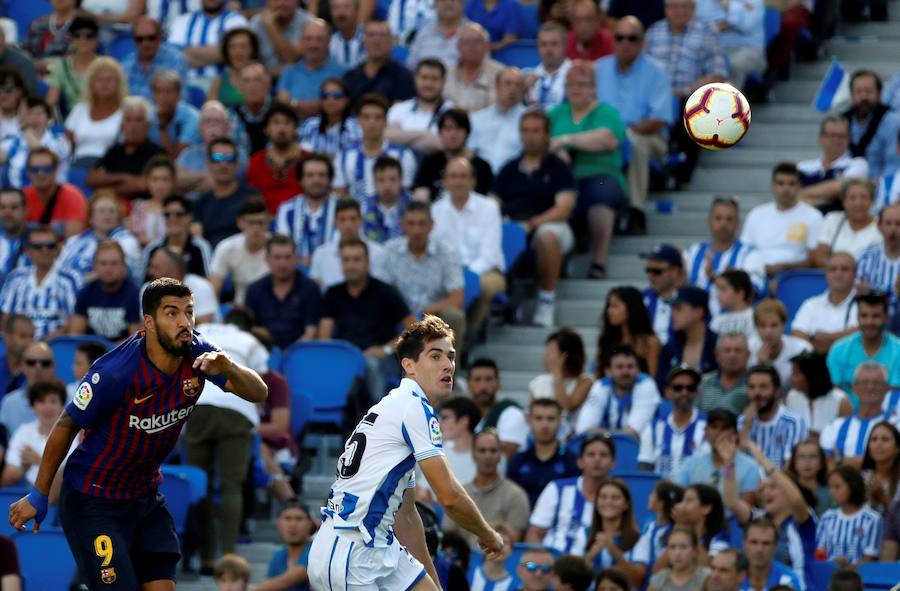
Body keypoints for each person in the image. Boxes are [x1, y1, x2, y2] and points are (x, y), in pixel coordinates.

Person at [7, 278, 268, 590]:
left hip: (144, 499)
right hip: (94, 501)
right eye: (172, 313)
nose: (184, 322)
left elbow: (259, 393)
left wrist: (230, 367)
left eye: (189, 312)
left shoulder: (199, 355)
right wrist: (39, 494)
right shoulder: (115, 372)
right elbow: (66, 425)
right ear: (150, 322)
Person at [306, 316, 504, 589]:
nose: (448, 365)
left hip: (378, 545)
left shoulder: (398, 407)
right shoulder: (413, 408)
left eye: (451, 357)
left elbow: (407, 516)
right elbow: (448, 496)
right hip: (351, 552)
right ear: (409, 366)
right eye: (435, 357)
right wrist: (487, 533)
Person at [186, 311, 269, 572]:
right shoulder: (250, 340)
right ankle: (228, 558)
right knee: (232, 486)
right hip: (238, 409)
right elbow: (260, 382)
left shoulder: (203, 332)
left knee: (200, 484)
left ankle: (207, 557)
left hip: (198, 407)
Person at [492, 110, 576, 327]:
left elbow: (564, 208)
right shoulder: (509, 168)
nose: (530, 136)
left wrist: (532, 224)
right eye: (526, 130)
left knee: (547, 236)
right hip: (511, 224)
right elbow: (492, 203)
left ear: (547, 134)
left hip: (550, 224)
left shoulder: (558, 167)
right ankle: (504, 302)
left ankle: (547, 300)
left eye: (536, 131)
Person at [549, 61, 627, 279]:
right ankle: (559, 261)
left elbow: (606, 139)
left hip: (600, 175)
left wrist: (565, 140)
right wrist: (557, 151)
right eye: (570, 84)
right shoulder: (556, 112)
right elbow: (543, 142)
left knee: (600, 195)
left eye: (581, 84)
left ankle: (599, 261)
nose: (575, 89)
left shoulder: (606, 112)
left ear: (593, 88)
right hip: (563, 178)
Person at [644, 0, 727, 186]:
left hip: (690, 96)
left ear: (694, 8)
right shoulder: (653, 32)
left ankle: (681, 174)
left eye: (684, 6)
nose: (679, 11)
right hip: (656, 98)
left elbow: (718, 73)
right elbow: (642, 70)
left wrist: (689, 90)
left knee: (692, 105)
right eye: (673, 6)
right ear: (665, 8)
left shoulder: (708, 32)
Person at [595, 16, 674, 211]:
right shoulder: (598, 68)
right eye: (620, 37)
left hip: (650, 138)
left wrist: (622, 134)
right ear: (613, 40)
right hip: (603, 136)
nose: (625, 43)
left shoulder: (657, 71)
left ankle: (635, 209)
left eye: (632, 38)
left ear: (642, 42)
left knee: (633, 141)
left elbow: (659, 119)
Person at [319, 236, 412, 399]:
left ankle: (378, 418)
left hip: (381, 358)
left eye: (356, 259)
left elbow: (415, 329)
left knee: (371, 365)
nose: (351, 265)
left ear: (368, 263)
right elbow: (324, 336)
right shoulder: (333, 293)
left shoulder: (386, 292)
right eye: (346, 260)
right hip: (345, 357)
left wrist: (385, 349)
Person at [720, 437, 817, 591]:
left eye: (773, 487)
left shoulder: (801, 521)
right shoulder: (758, 519)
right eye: (763, 489)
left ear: (787, 489)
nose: (765, 492)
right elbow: (732, 501)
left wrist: (761, 460)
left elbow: (797, 500)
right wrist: (729, 463)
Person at [431, 157, 505, 338]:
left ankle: (469, 334)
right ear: (445, 181)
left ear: (473, 181)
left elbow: (489, 254)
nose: (458, 181)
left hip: (487, 271)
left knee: (484, 286)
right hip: (448, 273)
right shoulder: (435, 210)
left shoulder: (489, 208)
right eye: (453, 176)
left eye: (463, 176)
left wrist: (466, 278)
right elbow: (436, 251)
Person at [381, 202, 466, 349]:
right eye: (411, 224)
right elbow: (381, 293)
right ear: (402, 225)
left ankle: (450, 369)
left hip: (435, 317)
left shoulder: (447, 252)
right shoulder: (390, 250)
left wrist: (426, 312)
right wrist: (405, 317)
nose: (416, 230)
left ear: (431, 225)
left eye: (422, 224)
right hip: (397, 316)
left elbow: (457, 299)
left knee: (454, 316)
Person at [526, 433, 616, 554]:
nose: (597, 459)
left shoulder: (618, 497)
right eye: (591, 455)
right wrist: (542, 566)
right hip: (553, 567)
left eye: (603, 455)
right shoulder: (556, 489)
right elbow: (534, 534)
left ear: (613, 463)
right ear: (580, 462)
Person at [444, 432, 530, 547]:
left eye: (493, 451)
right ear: (473, 454)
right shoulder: (458, 494)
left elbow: (512, 541)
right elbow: (448, 535)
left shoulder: (516, 495)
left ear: (500, 455)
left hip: (496, 559)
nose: (488, 456)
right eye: (482, 450)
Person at [682, 196, 766, 313]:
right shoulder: (692, 252)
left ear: (738, 224)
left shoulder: (750, 254)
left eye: (729, 219)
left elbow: (752, 293)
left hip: (733, 323)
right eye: (718, 218)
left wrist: (716, 278)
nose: (723, 223)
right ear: (709, 221)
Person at [740, 162, 824, 278]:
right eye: (781, 183)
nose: (786, 188)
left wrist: (783, 267)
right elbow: (744, 251)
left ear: (799, 186)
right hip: (756, 274)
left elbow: (813, 260)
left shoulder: (814, 216)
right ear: (772, 186)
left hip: (793, 277)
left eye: (791, 184)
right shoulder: (756, 214)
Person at [0, 226, 81, 341]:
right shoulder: (15, 277)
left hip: (57, 347)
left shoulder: (71, 279)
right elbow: (6, 319)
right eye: (38, 246)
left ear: (57, 249)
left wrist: (45, 343)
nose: (45, 250)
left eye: (50, 246)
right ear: (29, 251)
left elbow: (76, 320)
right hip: (18, 347)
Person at [245, 234, 323, 350]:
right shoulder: (254, 289)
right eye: (277, 257)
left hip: (299, 353)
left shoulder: (310, 288)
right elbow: (248, 330)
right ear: (267, 259)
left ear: (296, 259)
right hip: (262, 352)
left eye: (288, 257)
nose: (282, 263)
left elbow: (311, 331)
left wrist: (291, 355)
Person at [334, 94, 418, 201]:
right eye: (366, 117)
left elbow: (406, 195)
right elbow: (340, 195)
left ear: (385, 122)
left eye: (378, 117)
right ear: (359, 121)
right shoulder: (343, 157)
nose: (372, 123)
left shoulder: (403, 155)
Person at [86, 96, 167, 202]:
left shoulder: (157, 154)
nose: (133, 126)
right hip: (113, 207)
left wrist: (105, 188)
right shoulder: (115, 150)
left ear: (147, 126)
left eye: (139, 120)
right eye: (128, 120)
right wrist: (124, 177)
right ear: (122, 126)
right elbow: (91, 179)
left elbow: (142, 185)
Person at [676, 410, 761, 505]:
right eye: (714, 427)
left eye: (725, 428)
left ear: (735, 434)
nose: (719, 432)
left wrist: (728, 462)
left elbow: (746, 509)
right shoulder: (690, 464)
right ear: (706, 432)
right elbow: (679, 500)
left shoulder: (750, 467)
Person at [575, 344, 662, 438]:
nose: (625, 372)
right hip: (609, 447)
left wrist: (600, 433)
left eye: (630, 366)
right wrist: (611, 434)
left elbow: (634, 432)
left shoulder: (646, 384)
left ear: (638, 369)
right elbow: (582, 429)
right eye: (619, 367)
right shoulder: (600, 386)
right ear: (608, 371)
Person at [506, 397, 580, 505]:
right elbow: (510, 499)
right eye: (539, 418)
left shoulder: (571, 461)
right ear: (530, 421)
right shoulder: (518, 460)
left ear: (560, 421)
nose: (544, 425)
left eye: (550, 419)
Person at [820, 361, 896, 465]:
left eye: (877, 383)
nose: (870, 387)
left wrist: (841, 459)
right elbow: (826, 462)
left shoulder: (896, 424)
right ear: (853, 387)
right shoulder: (834, 426)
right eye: (864, 382)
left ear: (887, 389)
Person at [639, 364, 707, 479]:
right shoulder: (653, 428)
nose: (684, 393)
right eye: (678, 388)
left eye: (690, 388)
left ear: (697, 392)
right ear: (667, 392)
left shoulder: (707, 427)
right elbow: (645, 470)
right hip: (661, 493)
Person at [0, 380, 71, 489]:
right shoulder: (23, 432)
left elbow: (69, 479)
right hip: (29, 496)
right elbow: (7, 478)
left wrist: (40, 462)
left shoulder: (72, 434)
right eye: (41, 401)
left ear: (62, 405)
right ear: (33, 407)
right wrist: (22, 469)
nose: (47, 407)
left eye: (53, 401)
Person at [67, 241, 142, 341]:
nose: (108, 268)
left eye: (114, 263)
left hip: (122, 353)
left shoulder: (134, 294)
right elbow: (75, 335)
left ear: (123, 267)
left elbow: (135, 340)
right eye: (103, 263)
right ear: (94, 267)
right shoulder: (85, 293)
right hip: (91, 352)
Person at [413, 108, 493, 201]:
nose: (453, 134)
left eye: (458, 129)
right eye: (448, 129)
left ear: (467, 133)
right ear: (440, 133)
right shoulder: (429, 163)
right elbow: (420, 195)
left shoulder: (482, 167)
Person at [56, 192, 142, 279]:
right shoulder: (74, 241)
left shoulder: (128, 242)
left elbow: (126, 273)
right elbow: (59, 269)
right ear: (90, 217)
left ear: (118, 217)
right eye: (101, 211)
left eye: (112, 211)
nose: (107, 215)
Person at [827, 291, 900, 392]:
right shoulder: (838, 349)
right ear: (857, 317)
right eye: (864, 316)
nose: (869, 322)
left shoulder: (898, 350)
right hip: (848, 408)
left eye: (875, 316)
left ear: (886, 317)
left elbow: (895, 395)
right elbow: (834, 395)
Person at [273, 153, 338, 266]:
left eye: (321, 175)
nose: (316, 180)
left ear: (330, 179)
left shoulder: (342, 208)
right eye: (310, 175)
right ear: (300, 180)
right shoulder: (287, 209)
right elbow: (282, 247)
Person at [167, 0, 249, 89]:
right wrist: (220, 52)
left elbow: (238, 53)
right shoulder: (182, 21)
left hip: (223, 85)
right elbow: (173, 57)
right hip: (186, 83)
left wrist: (189, 52)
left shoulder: (236, 20)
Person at [192, 138, 259, 247]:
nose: (223, 164)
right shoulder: (201, 203)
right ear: (208, 164)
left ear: (237, 164)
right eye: (217, 158)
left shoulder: (251, 197)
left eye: (229, 159)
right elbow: (198, 240)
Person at [740, 362, 809, 467]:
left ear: (776, 390)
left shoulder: (792, 422)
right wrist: (745, 427)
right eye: (751, 387)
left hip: (780, 482)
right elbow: (734, 464)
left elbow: (790, 467)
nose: (757, 393)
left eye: (763, 387)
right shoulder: (742, 421)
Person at [529, 328, 594, 436]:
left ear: (565, 356)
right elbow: (533, 417)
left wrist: (557, 374)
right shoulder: (538, 382)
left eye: (550, 351)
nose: (546, 356)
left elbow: (565, 408)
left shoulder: (585, 381)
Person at [65, 58, 128, 168]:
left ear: (118, 83)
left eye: (109, 79)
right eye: (99, 79)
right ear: (91, 83)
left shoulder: (127, 110)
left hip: (113, 166)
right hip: (79, 164)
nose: (104, 84)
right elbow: (67, 145)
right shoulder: (79, 109)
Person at [791, 252, 859, 355]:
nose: (838, 273)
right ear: (826, 274)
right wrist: (842, 336)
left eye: (844, 269)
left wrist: (817, 337)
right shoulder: (810, 304)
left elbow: (859, 337)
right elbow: (797, 335)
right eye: (833, 269)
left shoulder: (864, 304)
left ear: (855, 274)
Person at [797, 115, 870, 210]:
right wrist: (827, 198)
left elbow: (840, 188)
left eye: (840, 136)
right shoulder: (802, 167)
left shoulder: (858, 164)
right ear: (820, 137)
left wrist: (802, 194)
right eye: (831, 135)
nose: (836, 140)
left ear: (848, 139)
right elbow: (790, 198)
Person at [277, 20, 346, 119]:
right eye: (308, 39)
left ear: (329, 42)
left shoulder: (340, 73)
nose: (313, 45)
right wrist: (319, 104)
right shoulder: (289, 72)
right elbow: (282, 103)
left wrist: (293, 103)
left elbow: (333, 107)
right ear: (301, 41)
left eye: (319, 39)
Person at [310, 199, 385, 290]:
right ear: (336, 222)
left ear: (361, 221)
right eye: (342, 220)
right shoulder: (321, 254)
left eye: (353, 219)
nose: (348, 224)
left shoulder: (378, 253)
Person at [816, 465, 883, 566]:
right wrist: (831, 564)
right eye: (830, 487)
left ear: (853, 486)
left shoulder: (872, 519)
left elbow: (870, 558)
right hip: (828, 576)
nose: (831, 492)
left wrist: (847, 567)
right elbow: (819, 552)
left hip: (859, 578)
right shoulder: (827, 517)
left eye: (837, 487)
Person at [208, 197, 270, 305]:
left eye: (260, 223)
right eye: (251, 222)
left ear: (267, 223)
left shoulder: (278, 249)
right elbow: (213, 290)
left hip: (272, 309)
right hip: (240, 309)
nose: (256, 228)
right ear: (240, 223)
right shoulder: (226, 247)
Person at [0, 97, 71, 190]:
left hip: (51, 194)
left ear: (48, 117)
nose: (34, 117)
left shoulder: (59, 140)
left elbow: (43, 156)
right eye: (29, 113)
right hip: (18, 197)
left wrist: (24, 128)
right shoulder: (13, 142)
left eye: (39, 113)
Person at [247, 103, 306, 214]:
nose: (282, 128)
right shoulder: (255, 161)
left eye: (287, 123)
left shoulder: (308, 159)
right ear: (266, 129)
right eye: (276, 123)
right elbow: (253, 200)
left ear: (295, 129)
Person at [584, 479, 645, 585]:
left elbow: (637, 581)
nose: (608, 502)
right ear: (596, 503)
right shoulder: (584, 533)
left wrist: (613, 551)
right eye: (603, 497)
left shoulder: (639, 539)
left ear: (626, 504)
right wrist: (590, 556)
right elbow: (573, 579)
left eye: (615, 498)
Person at [695, 0, 764, 91]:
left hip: (747, 49)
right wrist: (740, 9)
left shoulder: (755, 1)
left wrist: (729, 5)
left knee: (733, 64)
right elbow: (696, 25)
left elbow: (745, 25)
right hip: (710, 47)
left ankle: (731, 102)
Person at [657, 286, 719, 386]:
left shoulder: (718, 346)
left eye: (678, 309)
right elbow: (662, 385)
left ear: (699, 312)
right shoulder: (670, 347)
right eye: (672, 309)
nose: (672, 314)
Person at [341, 20, 416, 104]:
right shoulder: (350, 78)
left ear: (391, 42)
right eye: (371, 35)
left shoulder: (405, 78)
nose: (376, 40)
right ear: (363, 41)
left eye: (382, 35)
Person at [843, 70, 900, 179]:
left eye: (868, 91)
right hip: (846, 185)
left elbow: (893, 164)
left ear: (879, 94)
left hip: (880, 184)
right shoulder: (843, 120)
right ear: (851, 94)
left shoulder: (893, 122)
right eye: (859, 92)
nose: (864, 96)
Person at [386, 59, 451, 153]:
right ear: (415, 78)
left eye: (434, 79)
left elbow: (446, 144)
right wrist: (425, 135)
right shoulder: (399, 109)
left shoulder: (451, 111)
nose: (428, 84)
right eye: (424, 78)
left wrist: (403, 138)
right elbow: (386, 137)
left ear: (443, 82)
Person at [468, 358, 528, 457]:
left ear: (498, 383)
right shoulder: (462, 415)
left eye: (489, 379)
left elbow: (504, 457)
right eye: (477, 379)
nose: (483, 386)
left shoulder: (511, 413)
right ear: (469, 385)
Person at [812, 180, 880, 267]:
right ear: (844, 201)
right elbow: (820, 256)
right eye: (852, 198)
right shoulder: (832, 219)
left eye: (864, 197)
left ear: (872, 201)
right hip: (837, 277)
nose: (858, 203)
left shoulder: (883, 224)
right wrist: (842, 270)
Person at [22, 148, 87, 240]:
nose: (41, 173)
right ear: (28, 172)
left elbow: (72, 242)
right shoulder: (23, 197)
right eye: (35, 169)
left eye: (46, 169)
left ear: (56, 170)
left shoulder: (73, 196)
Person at [143, 195, 212, 280]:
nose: (172, 218)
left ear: (189, 217)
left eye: (178, 214)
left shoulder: (200, 247)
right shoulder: (152, 248)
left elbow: (206, 280)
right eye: (167, 215)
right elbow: (145, 283)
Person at [596, 286, 661, 377]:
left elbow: (650, 378)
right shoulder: (606, 340)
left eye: (615, 306)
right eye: (609, 306)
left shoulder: (650, 341)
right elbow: (598, 374)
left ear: (631, 308)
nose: (609, 311)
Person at [144, 247, 220, 325]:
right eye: (150, 266)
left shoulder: (201, 287)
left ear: (174, 272)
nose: (150, 272)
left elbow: (204, 326)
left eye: (156, 268)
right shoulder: (147, 289)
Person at [748, 300, 812, 389]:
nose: (768, 331)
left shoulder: (801, 349)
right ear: (756, 327)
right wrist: (760, 366)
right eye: (762, 326)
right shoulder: (747, 349)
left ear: (783, 325)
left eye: (774, 325)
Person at [785, 352, 851, 437]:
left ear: (811, 376)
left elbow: (846, 436)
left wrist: (818, 436)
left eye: (796, 374)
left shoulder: (841, 401)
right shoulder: (791, 397)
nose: (790, 377)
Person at [122, 17, 189, 101]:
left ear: (160, 37)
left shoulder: (175, 60)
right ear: (134, 41)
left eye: (151, 38)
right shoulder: (126, 63)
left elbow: (180, 99)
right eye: (140, 39)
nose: (146, 43)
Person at [44, 16, 99, 116]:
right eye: (77, 35)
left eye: (89, 36)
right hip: (73, 119)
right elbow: (51, 100)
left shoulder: (106, 66)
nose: (83, 40)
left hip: (102, 115)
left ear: (97, 39)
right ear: (71, 39)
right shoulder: (62, 66)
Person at [0, 341, 57, 436]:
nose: (38, 367)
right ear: (22, 366)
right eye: (31, 362)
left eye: (45, 363)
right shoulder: (9, 402)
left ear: (53, 367)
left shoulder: (70, 402)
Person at [258, 499, 316, 591]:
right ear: (279, 523)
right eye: (287, 519)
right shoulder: (280, 555)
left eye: (299, 519)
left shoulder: (315, 550)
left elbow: (289, 579)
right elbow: (267, 584)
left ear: (310, 524)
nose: (293, 525)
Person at [443, 24, 503, 113]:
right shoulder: (446, 73)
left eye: (477, 41)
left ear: (487, 46)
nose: (472, 46)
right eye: (467, 41)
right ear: (458, 47)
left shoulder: (500, 73)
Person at [146, 70, 201, 162]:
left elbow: (176, 158)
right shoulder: (146, 116)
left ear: (179, 94)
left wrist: (162, 126)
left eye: (169, 91)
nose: (164, 97)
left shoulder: (193, 118)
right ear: (153, 96)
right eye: (159, 92)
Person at [299, 78, 362, 157]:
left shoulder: (356, 127)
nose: (330, 100)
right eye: (325, 96)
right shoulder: (310, 125)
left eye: (337, 95)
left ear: (346, 100)